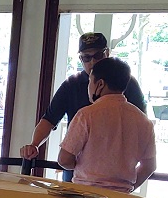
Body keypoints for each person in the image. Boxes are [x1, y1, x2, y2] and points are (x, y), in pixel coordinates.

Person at [21, 32, 148, 168]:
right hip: (78, 165)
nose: (93, 62)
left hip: (116, 165)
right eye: (86, 57)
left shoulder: (128, 82)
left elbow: (142, 124)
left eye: (98, 56)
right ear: (81, 59)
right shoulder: (71, 84)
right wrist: (34, 144)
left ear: (107, 53)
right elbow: (49, 119)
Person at [56, 57, 156, 193]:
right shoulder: (144, 121)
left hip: (85, 195)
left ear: (100, 84)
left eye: (90, 81)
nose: (88, 87)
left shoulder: (86, 115)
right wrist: (127, 187)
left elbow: (64, 159)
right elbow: (149, 166)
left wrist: (85, 167)